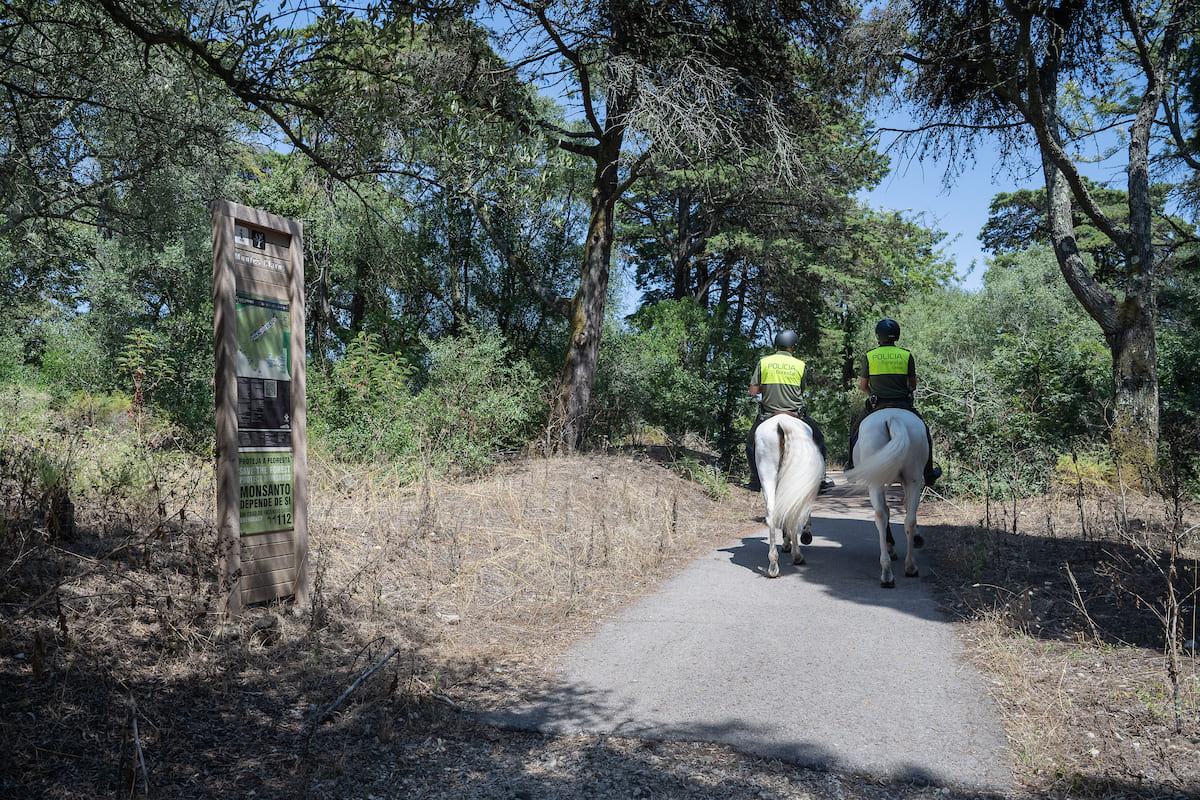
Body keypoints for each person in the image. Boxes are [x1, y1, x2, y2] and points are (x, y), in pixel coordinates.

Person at [846, 318, 941, 486]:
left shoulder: (870, 356)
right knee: (924, 432)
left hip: (878, 404)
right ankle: (928, 472)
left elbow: (863, 386)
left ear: (878, 336)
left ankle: (852, 467)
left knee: (855, 431)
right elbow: (913, 385)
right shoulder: (906, 355)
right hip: (902, 403)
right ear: (896, 336)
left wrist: (872, 395)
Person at [746, 329, 830, 492]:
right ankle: (820, 479)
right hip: (796, 414)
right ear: (794, 347)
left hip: (768, 415)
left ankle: (755, 479)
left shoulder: (764, 362)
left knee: (750, 443)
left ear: (776, 345)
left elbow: (753, 391)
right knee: (819, 440)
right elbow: (801, 390)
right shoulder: (800, 365)